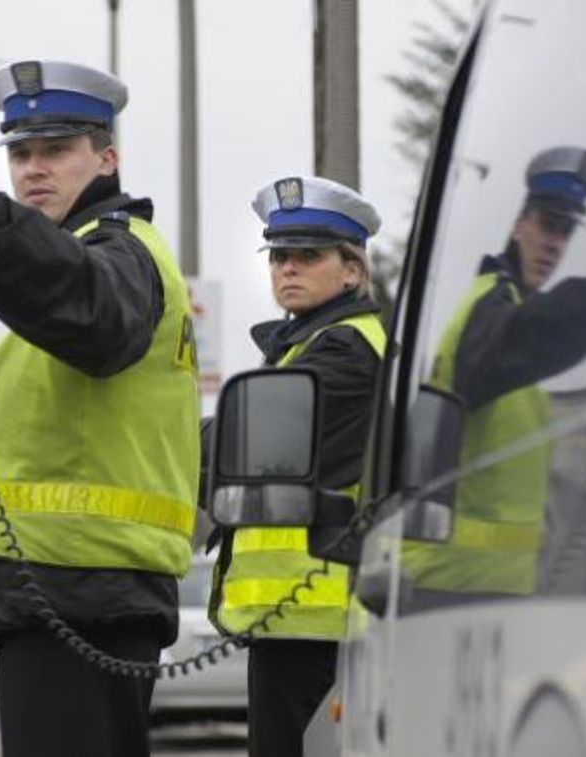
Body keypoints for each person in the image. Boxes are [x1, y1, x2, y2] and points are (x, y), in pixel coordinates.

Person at [0, 60, 200, 757]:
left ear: (107, 157)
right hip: (73, 587)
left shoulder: (123, 253)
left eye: (56, 150)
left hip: (80, 585)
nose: (33, 169)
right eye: (19, 152)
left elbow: (94, 311)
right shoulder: (86, 251)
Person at [409, 145, 586, 598]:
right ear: (518, 224)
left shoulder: (508, 314)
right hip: (452, 588)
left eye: (567, 231)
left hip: (491, 591)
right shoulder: (491, 309)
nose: (556, 243)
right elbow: (531, 335)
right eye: (547, 224)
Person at [208, 176, 386, 757]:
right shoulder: (304, 346)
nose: (288, 268)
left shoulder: (348, 349)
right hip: (299, 620)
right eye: (280, 256)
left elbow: (256, 439)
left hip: (319, 619)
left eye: (309, 256)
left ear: (353, 270)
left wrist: (166, 445)